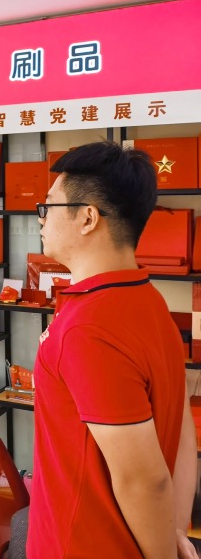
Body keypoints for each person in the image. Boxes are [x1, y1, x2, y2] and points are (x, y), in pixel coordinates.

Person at [24, 141, 198, 558]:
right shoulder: (148, 301)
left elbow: (144, 479)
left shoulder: (89, 328)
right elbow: (181, 429)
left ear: (87, 218)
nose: (42, 218)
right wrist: (174, 528)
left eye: (49, 206)